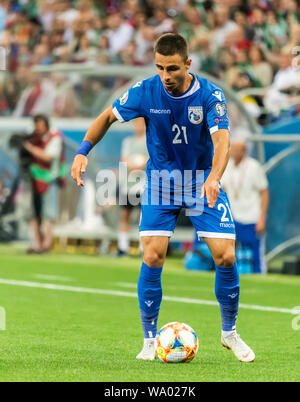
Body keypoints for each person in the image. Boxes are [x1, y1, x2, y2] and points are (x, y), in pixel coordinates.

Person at [71, 33, 255, 363]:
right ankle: (148, 339)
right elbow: (107, 117)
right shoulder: (145, 91)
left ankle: (229, 333)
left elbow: (223, 141)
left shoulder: (211, 96)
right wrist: (83, 151)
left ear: (188, 64)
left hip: (200, 181)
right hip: (161, 181)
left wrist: (214, 177)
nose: (166, 76)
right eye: (160, 68)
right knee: (153, 255)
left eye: (172, 68)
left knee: (226, 256)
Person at [221, 139, 269, 274]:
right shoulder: (227, 166)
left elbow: (264, 192)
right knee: (231, 253)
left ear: (244, 152)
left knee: (256, 254)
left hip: (251, 217)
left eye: (237, 149)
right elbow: (222, 190)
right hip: (233, 217)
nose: (234, 152)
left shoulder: (254, 167)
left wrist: (262, 218)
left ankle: (260, 276)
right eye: (232, 149)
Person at [23, 114, 66, 253]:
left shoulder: (55, 137)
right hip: (34, 177)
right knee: (34, 213)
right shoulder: (34, 138)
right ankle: (36, 243)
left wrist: (29, 148)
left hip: (49, 178)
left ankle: (46, 244)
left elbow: (48, 157)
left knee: (49, 213)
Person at [117, 117, 148, 256]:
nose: (139, 126)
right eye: (137, 123)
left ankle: (144, 249)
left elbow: (150, 159)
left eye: (141, 123)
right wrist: (133, 166)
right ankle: (122, 248)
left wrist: (139, 166)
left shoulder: (150, 141)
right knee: (125, 215)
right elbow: (124, 160)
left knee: (144, 217)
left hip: (143, 185)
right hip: (128, 185)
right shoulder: (127, 142)